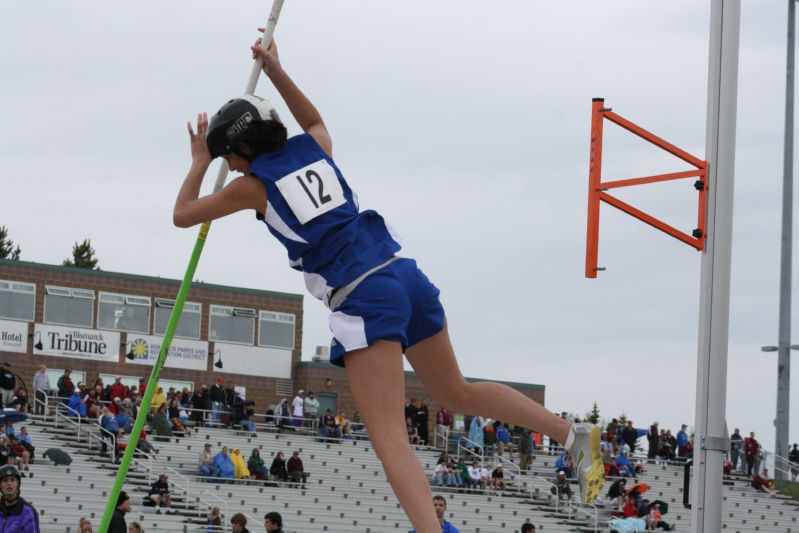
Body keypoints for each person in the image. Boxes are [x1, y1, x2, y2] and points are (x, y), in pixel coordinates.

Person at [173, 35, 604, 531]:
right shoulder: (315, 147)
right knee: (457, 390)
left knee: (389, 438)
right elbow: (313, 120)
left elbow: (183, 215)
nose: (231, 165)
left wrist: (199, 163)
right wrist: (275, 70)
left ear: (243, 147)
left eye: (230, 156)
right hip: (404, 274)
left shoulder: (251, 187)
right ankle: (570, 434)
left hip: (363, 294)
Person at [0, 465, 38, 532]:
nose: (9, 483)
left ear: (18, 483)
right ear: (0, 485)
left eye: (12, 480)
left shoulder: (27, 512)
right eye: (5, 480)